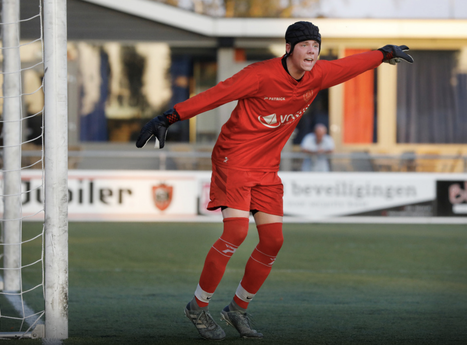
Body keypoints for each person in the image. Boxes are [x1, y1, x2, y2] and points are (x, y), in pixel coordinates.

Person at [136, 21, 413, 340]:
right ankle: (197, 307)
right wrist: (169, 117)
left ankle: (237, 309)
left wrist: (383, 53)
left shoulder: (317, 75)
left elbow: (348, 66)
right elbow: (217, 95)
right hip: (234, 158)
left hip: (266, 168)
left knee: (273, 241)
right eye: (305, 44)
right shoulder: (259, 74)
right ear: (288, 48)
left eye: (316, 45)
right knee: (236, 231)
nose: (312, 50)